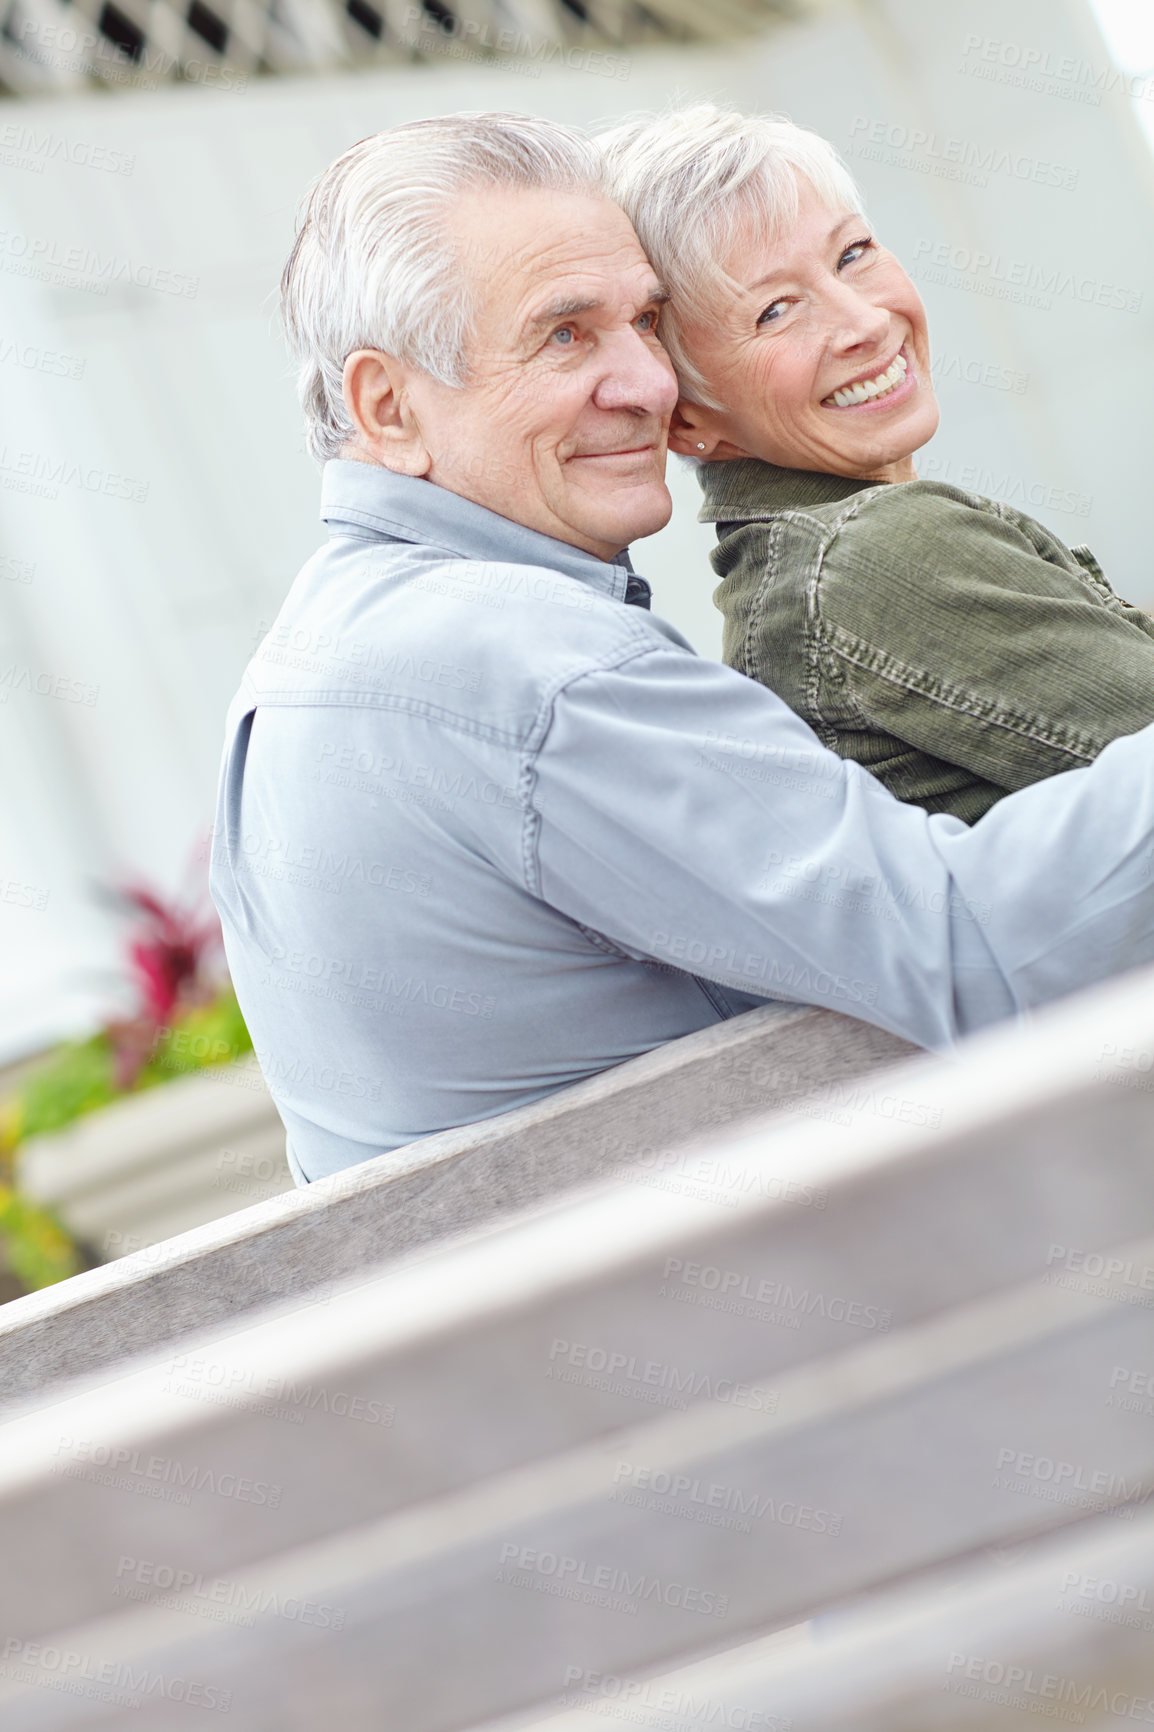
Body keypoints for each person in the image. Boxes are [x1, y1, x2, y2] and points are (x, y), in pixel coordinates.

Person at [210, 111, 1154, 1185]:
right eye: (564, 333)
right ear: (388, 405)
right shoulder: (528, 671)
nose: (649, 387)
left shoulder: (317, 663)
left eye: (647, 322)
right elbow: (964, 948)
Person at [598, 105, 1154, 823]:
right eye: (774, 311)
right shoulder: (880, 552)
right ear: (686, 417)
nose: (863, 322)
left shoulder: (800, 565)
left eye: (852, 254)